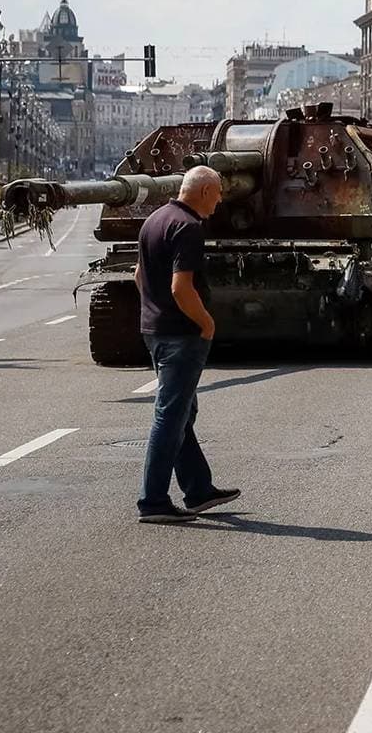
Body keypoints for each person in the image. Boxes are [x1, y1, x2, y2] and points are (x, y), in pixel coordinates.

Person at [134, 166, 240, 524]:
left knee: (183, 413)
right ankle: (153, 501)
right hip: (182, 334)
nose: (221, 199)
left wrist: (153, 309)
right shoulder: (189, 227)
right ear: (205, 191)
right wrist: (206, 322)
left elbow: (139, 275)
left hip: (156, 330)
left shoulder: (155, 220)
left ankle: (198, 489)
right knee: (170, 415)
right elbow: (182, 287)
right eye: (219, 192)